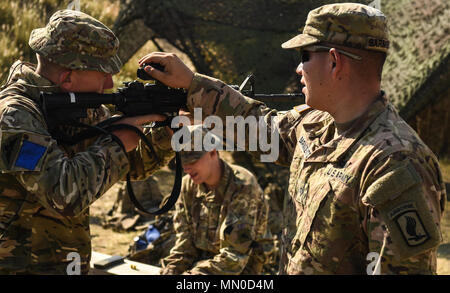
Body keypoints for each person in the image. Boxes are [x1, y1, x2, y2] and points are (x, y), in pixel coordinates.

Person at [139, 3, 447, 274]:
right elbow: (257, 127)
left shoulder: (394, 164)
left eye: (305, 55)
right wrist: (192, 85)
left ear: (335, 61)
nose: (299, 68)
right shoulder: (315, 123)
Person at [0, 10, 173, 274]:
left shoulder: (82, 109)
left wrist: (167, 131)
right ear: (68, 77)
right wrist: (116, 140)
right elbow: (65, 192)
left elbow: (133, 165)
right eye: (103, 73)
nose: (110, 83)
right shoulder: (13, 118)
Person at [160, 125, 272, 275]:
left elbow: (234, 258)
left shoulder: (242, 186)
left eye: (192, 161)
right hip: (204, 266)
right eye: (183, 162)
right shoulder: (187, 186)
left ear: (213, 152)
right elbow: (184, 247)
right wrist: (171, 271)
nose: (186, 168)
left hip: (246, 269)